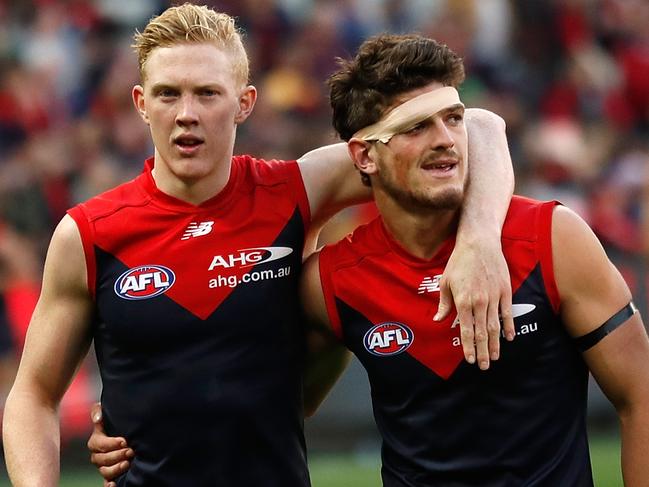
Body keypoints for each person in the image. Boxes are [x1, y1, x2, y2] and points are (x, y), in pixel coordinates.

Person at [2, 5, 516, 486]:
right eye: (167, 94)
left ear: (244, 103)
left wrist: (478, 242)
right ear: (141, 104)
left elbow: (481, 127)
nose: (186, 113)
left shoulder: (295, 191)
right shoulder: (90, 232)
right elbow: (32, 396)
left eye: (207, 93)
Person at [298, 34, 649, 486]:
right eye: (416, 127)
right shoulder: (331, 280)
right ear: (365, 155)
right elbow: (284, 407)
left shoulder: (552, 238)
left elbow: (640, 392)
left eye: (453, 119)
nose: (446, 140)